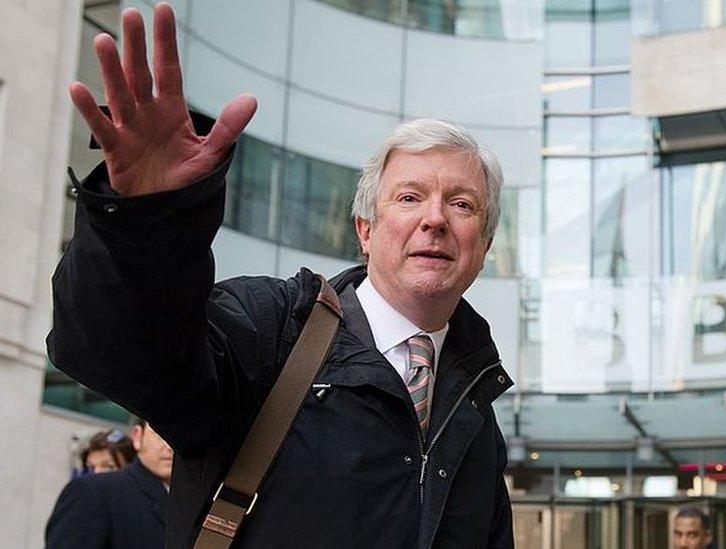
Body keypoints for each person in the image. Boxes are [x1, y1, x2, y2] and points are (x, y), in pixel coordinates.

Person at [47, 3, 514, 547]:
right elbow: (120, 353)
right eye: (409, 198)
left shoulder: (475, 408)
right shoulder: (269, 333)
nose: (434, 218)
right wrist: (148, 222)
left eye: (461, 204)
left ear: (484, 245)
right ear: (365, 231)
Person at [46, 420, 173, 548]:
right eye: (160, 434)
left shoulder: (187, 503)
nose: (169, 446)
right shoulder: (92, 491)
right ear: (137, 436)